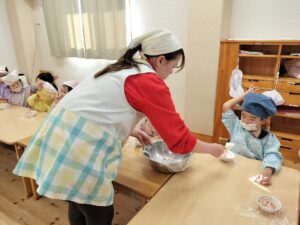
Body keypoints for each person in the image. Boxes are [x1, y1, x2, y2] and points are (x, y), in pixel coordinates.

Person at [13, 29, 225, 225]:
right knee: (99, 211)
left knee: (75, 198)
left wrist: (131, 130)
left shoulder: (121, 67)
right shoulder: (148, 81)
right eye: (173, 66)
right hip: (78, 147)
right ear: (160, 60)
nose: (171, 72)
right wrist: (213, 149)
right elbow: (179, 141)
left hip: (59, 132)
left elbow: (98, 107)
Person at [222, 87, 283, 185]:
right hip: (230, 168)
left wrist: (267, 172)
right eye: (243, 116)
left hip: (250, 174)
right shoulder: (237, 126)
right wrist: (245, 95)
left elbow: (272, 156)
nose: (245, 121)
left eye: (252, 119)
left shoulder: (268, 139)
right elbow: (226, 106)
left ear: (262, 121)